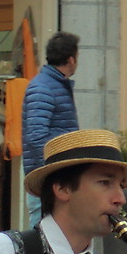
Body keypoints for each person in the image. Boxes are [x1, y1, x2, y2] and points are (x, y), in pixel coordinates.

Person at [23, 32, 82, 224]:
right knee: (43, 240)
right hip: (47, 178)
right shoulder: (43, 87)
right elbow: (36, 136)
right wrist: (54, 171)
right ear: (71, 59)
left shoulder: (49, 85)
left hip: (53, 177)